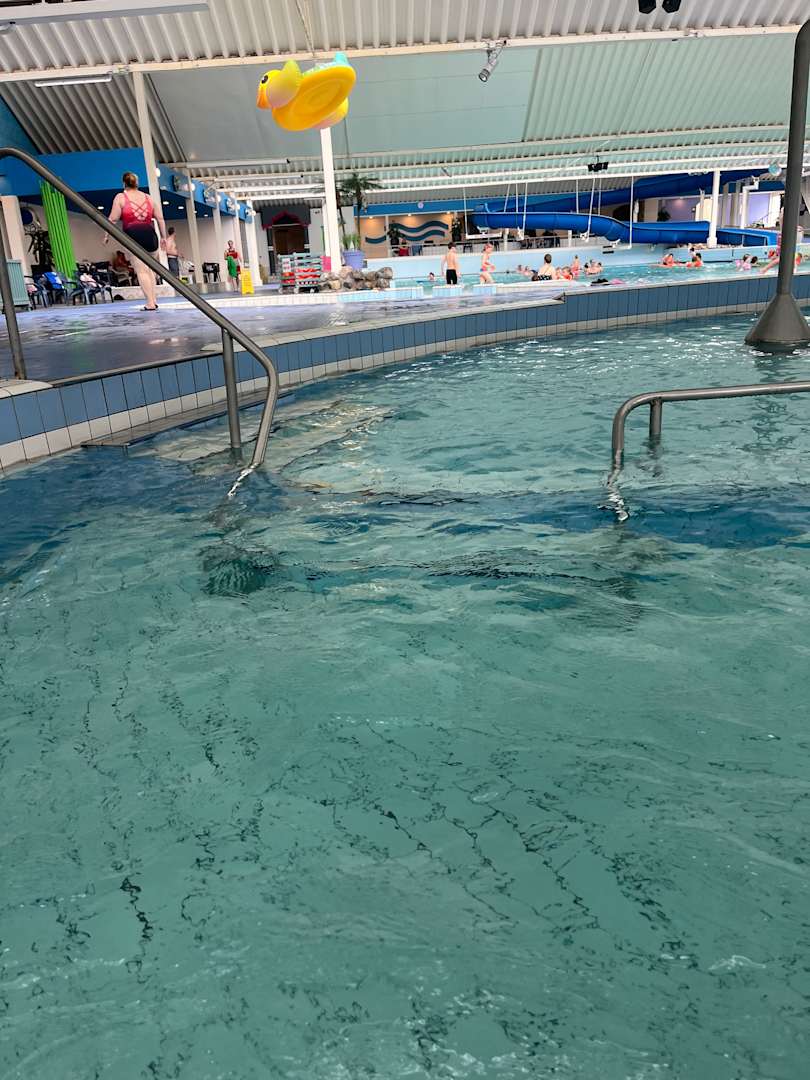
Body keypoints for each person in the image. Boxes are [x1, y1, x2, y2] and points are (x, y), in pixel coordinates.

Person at [107, 171, 166, 310]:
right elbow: (160, 218)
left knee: (141, 271)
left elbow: (112, 219)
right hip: (151, 237)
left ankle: (150, 303)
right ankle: (153, 300)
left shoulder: (121, 197)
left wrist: (106, 235)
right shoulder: (148, 197)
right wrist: (163, 237)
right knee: (150, 270)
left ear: (124, 183)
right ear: (137, 183)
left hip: (134, 237)